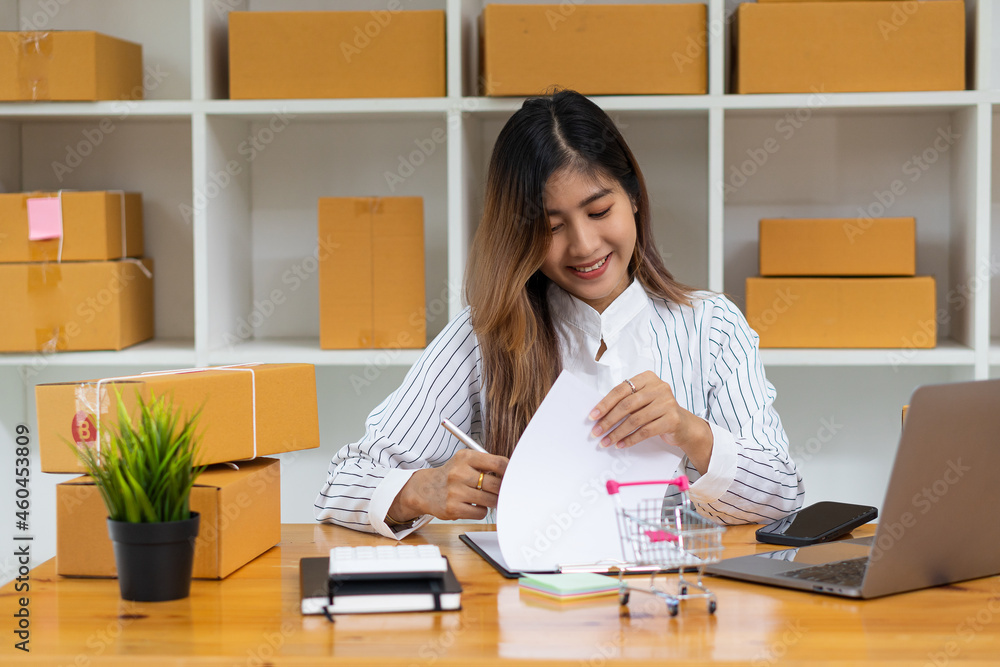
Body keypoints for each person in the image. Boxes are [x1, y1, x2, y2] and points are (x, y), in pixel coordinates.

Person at [315, 90, 804, 539]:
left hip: (677, 594)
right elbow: (342, 482)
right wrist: (420, 489)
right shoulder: (483, 335)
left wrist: (689, 431)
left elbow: (784, 496)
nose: (584, 245)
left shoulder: (711, 327)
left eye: (599, 211)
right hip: (532, 596)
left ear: (634, 198)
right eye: (551, 227)